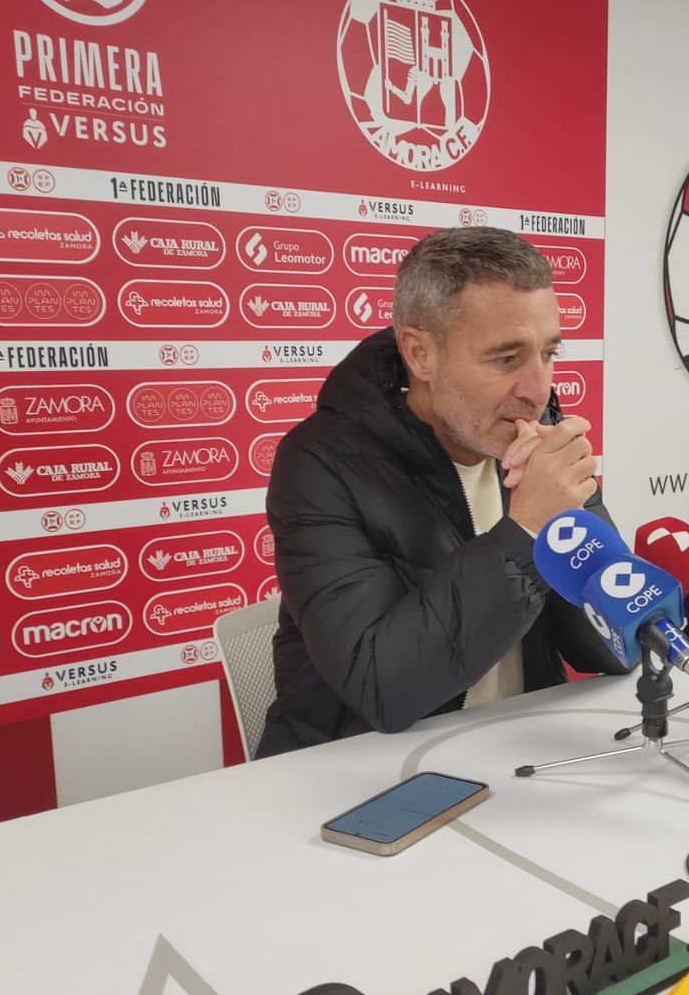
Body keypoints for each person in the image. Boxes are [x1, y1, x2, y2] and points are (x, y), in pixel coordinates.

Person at [256, 227, 626, 757]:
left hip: (514, 756)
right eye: (505, 359)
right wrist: (526, 531)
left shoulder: (535, 431)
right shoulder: (319, 464)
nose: (537, 388)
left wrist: (568, 525)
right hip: (357, 773)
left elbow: (613, 646)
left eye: (548, 354)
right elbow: (385, 690)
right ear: (420, 355)